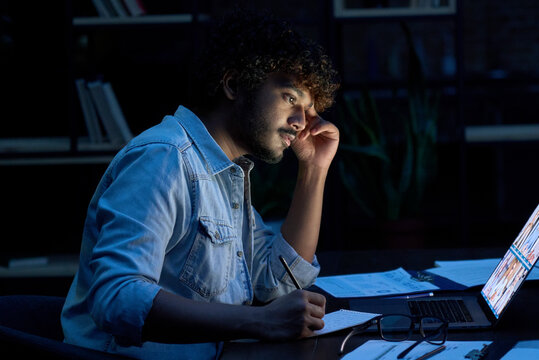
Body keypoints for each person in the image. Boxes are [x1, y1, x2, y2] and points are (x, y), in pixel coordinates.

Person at [61, 8, 340, 360]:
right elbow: (117, 297)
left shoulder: (224, 174)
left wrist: (314, 170)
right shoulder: (165, 158)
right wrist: (256, 322)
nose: (301, 122)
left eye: (310, 109)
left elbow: (274, 283)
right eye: (290, 98)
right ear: (234, 83)